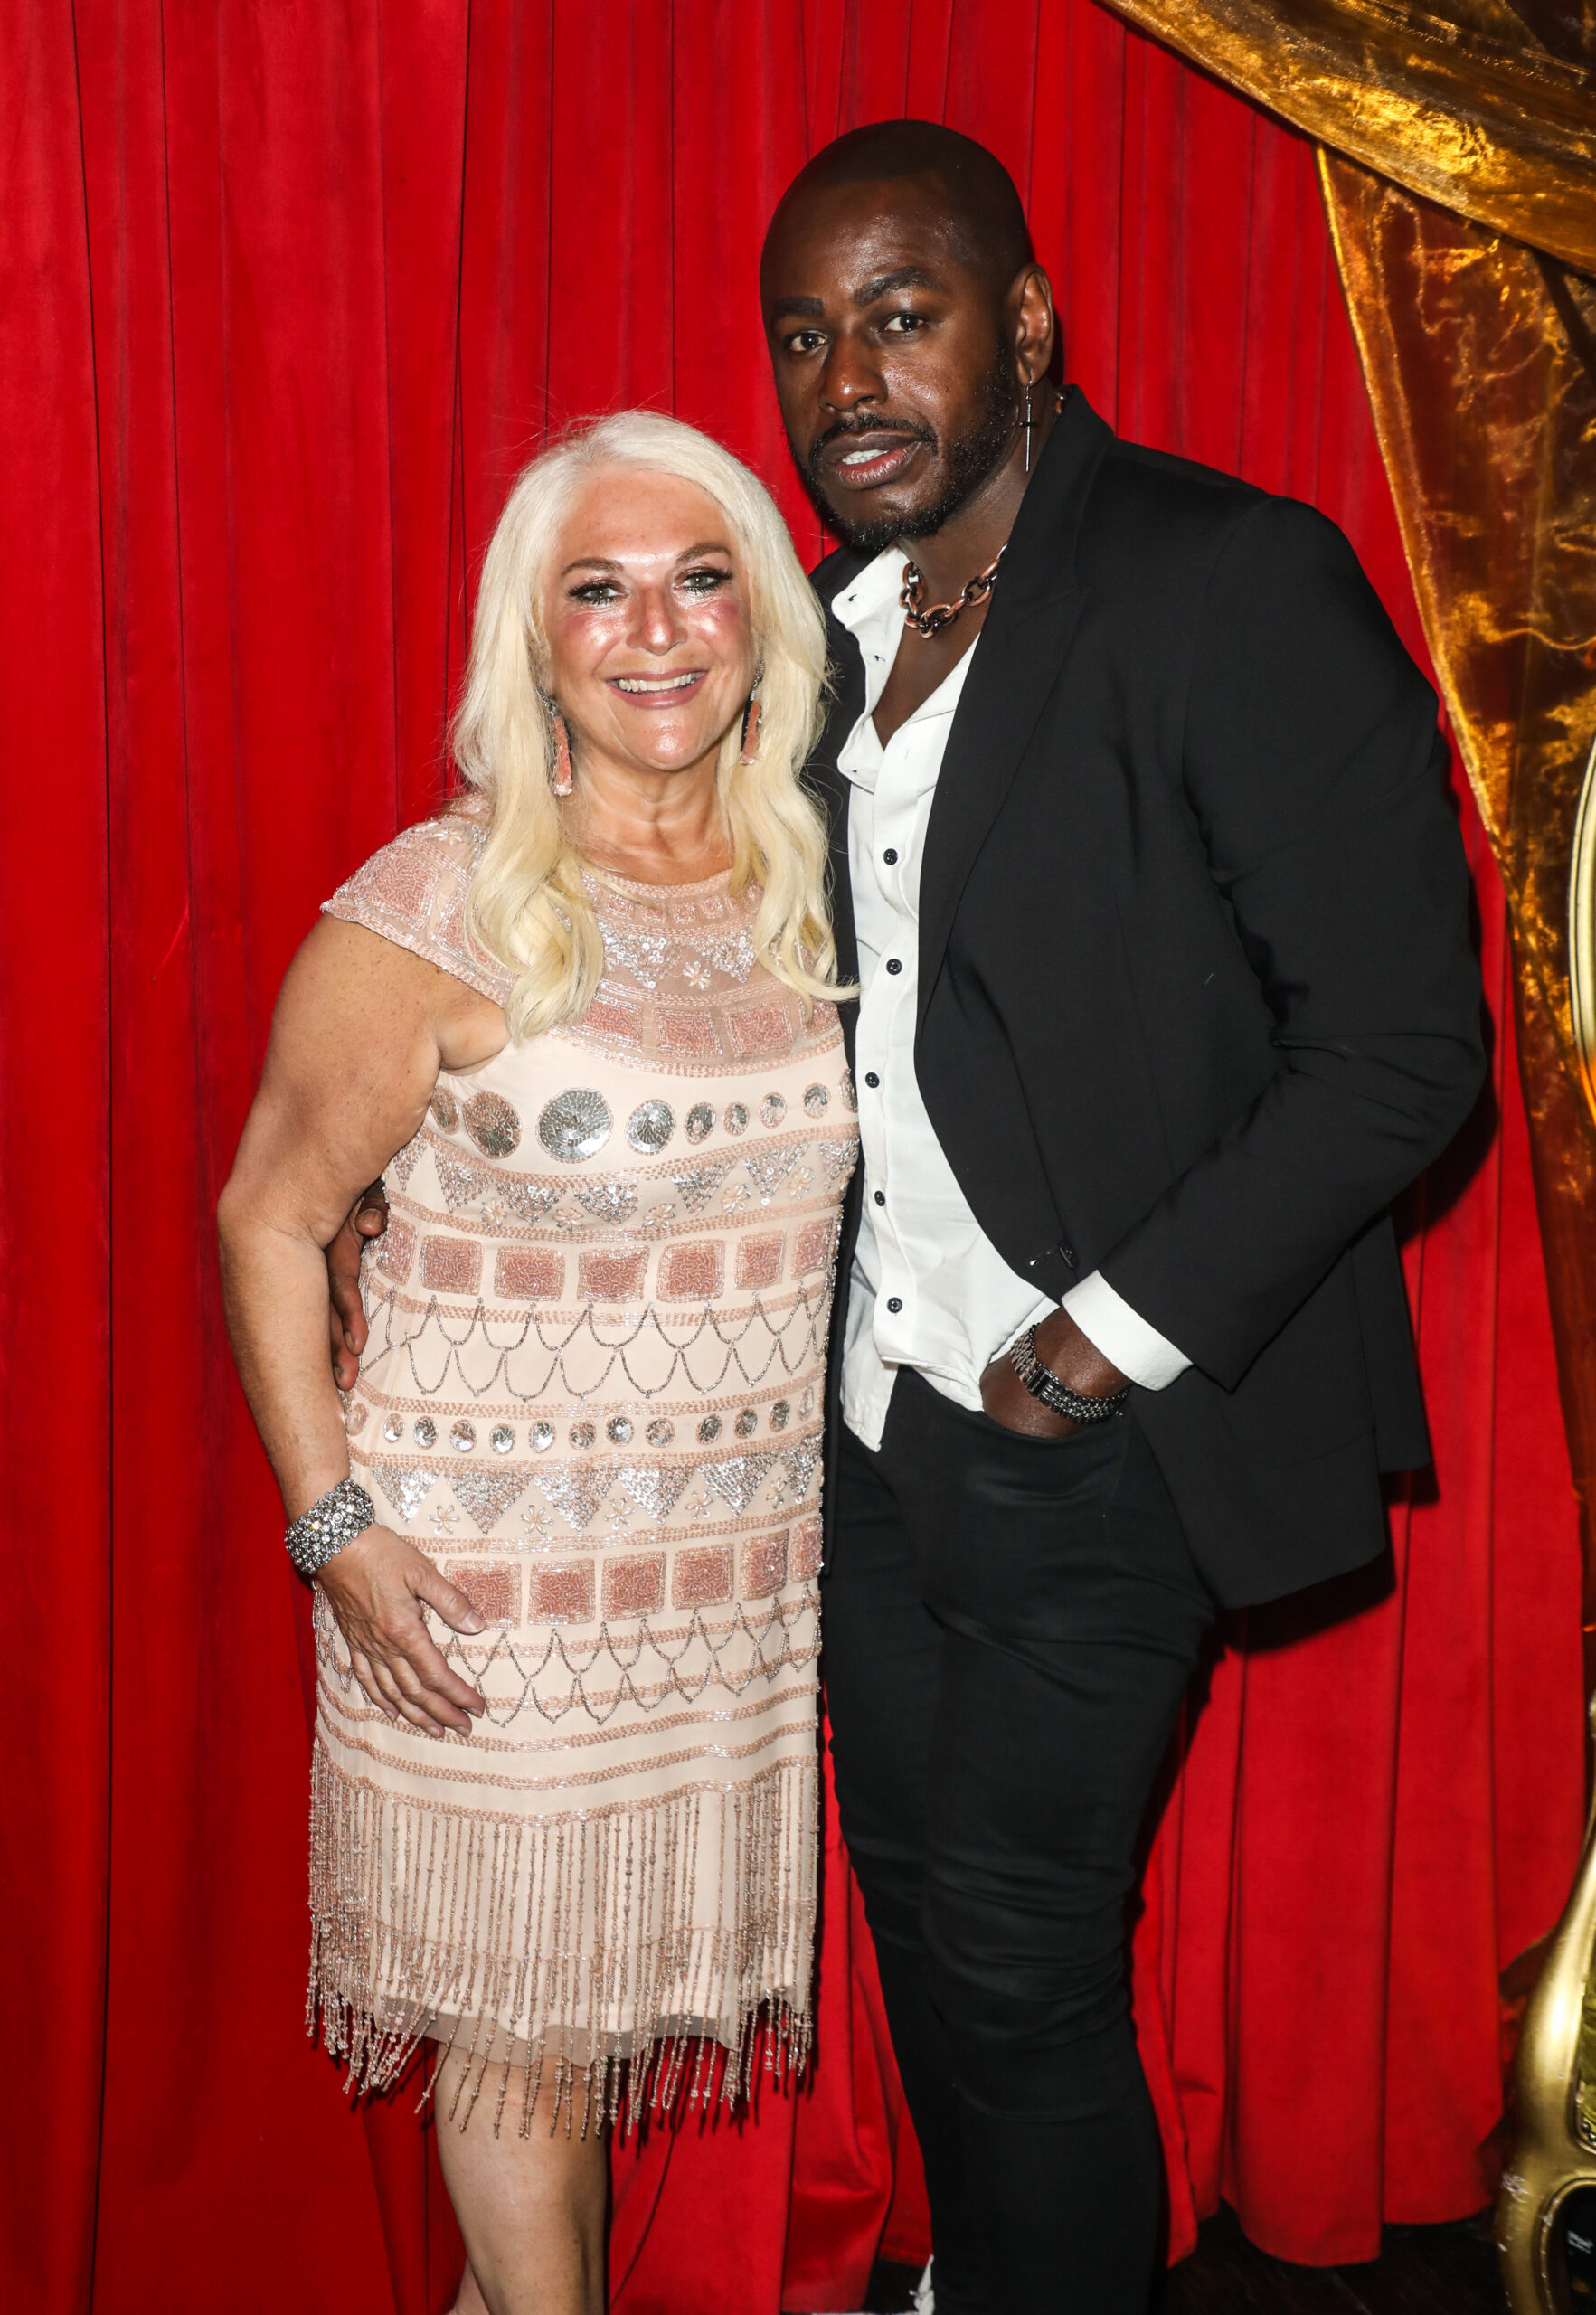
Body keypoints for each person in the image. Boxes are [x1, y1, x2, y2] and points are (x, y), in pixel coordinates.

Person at [329, 123, 1484, 2314]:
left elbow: (1403, 1049)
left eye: (900, 313)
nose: (846, 375)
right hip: (861, 1453)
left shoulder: (1229, 578)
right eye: (803, 334)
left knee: (1024, 1957)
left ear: (1025, 327)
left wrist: (1098, 1337)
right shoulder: (819, 643)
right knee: (930, 1934)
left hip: (1107, 1434)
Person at [219, 411, 855, 2315]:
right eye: (597, 589)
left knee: (572, 2040)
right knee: (520, 2036)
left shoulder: (819, 887)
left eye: (699, 578)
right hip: (476, 1596)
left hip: (721, 1593)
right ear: (534, 639)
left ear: (761, 619)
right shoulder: (437, 904)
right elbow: (269, 1214)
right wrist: (334, 1528)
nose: (652, 630)